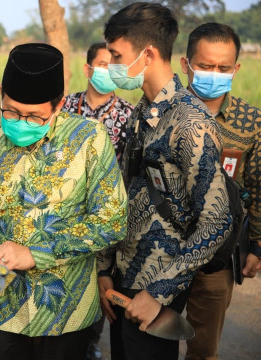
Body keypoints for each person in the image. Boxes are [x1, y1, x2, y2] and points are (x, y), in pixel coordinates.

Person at [0, 42, 127, 360]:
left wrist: (35, 254)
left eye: (34, 117)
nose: (20, 122)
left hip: (67, 313)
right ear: (0, 93)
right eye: (10, 111)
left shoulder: (90, 140)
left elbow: (112, 220)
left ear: (59, 104)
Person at [96, 4, 233, 360]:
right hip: (125, 277)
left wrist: (158, 292)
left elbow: (216, 222)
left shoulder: (191, 123)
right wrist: (105, 269)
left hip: (157, 290)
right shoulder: (144, 109)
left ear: (149, 53)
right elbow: (124, 193)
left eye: (116, 55)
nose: (111, 64)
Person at [180, 22, 261, 360]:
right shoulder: (161, 110)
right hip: (159, 252)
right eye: (205, 66)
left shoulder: (252, 122)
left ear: (235, 69)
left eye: (223, 68)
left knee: (203, 349)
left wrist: (256, 244)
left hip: (216, 259)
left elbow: (257, 187)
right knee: (150, 342)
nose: (214, 74)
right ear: (186, 65)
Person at [62, 41, 134, 360]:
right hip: (67, 216)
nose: (106, 72)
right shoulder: (64, 108)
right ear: (88, 69)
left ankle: (91, 344)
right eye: (100, 65)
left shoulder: (130, 116)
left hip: (106, 219)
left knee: (103, 287)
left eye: (112, 66)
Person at [63, 42, 133, 163]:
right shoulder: (65, 105)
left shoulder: (128, 114)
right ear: (87, 70)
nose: (109, 71)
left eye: (114, 66)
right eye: (103, 64)